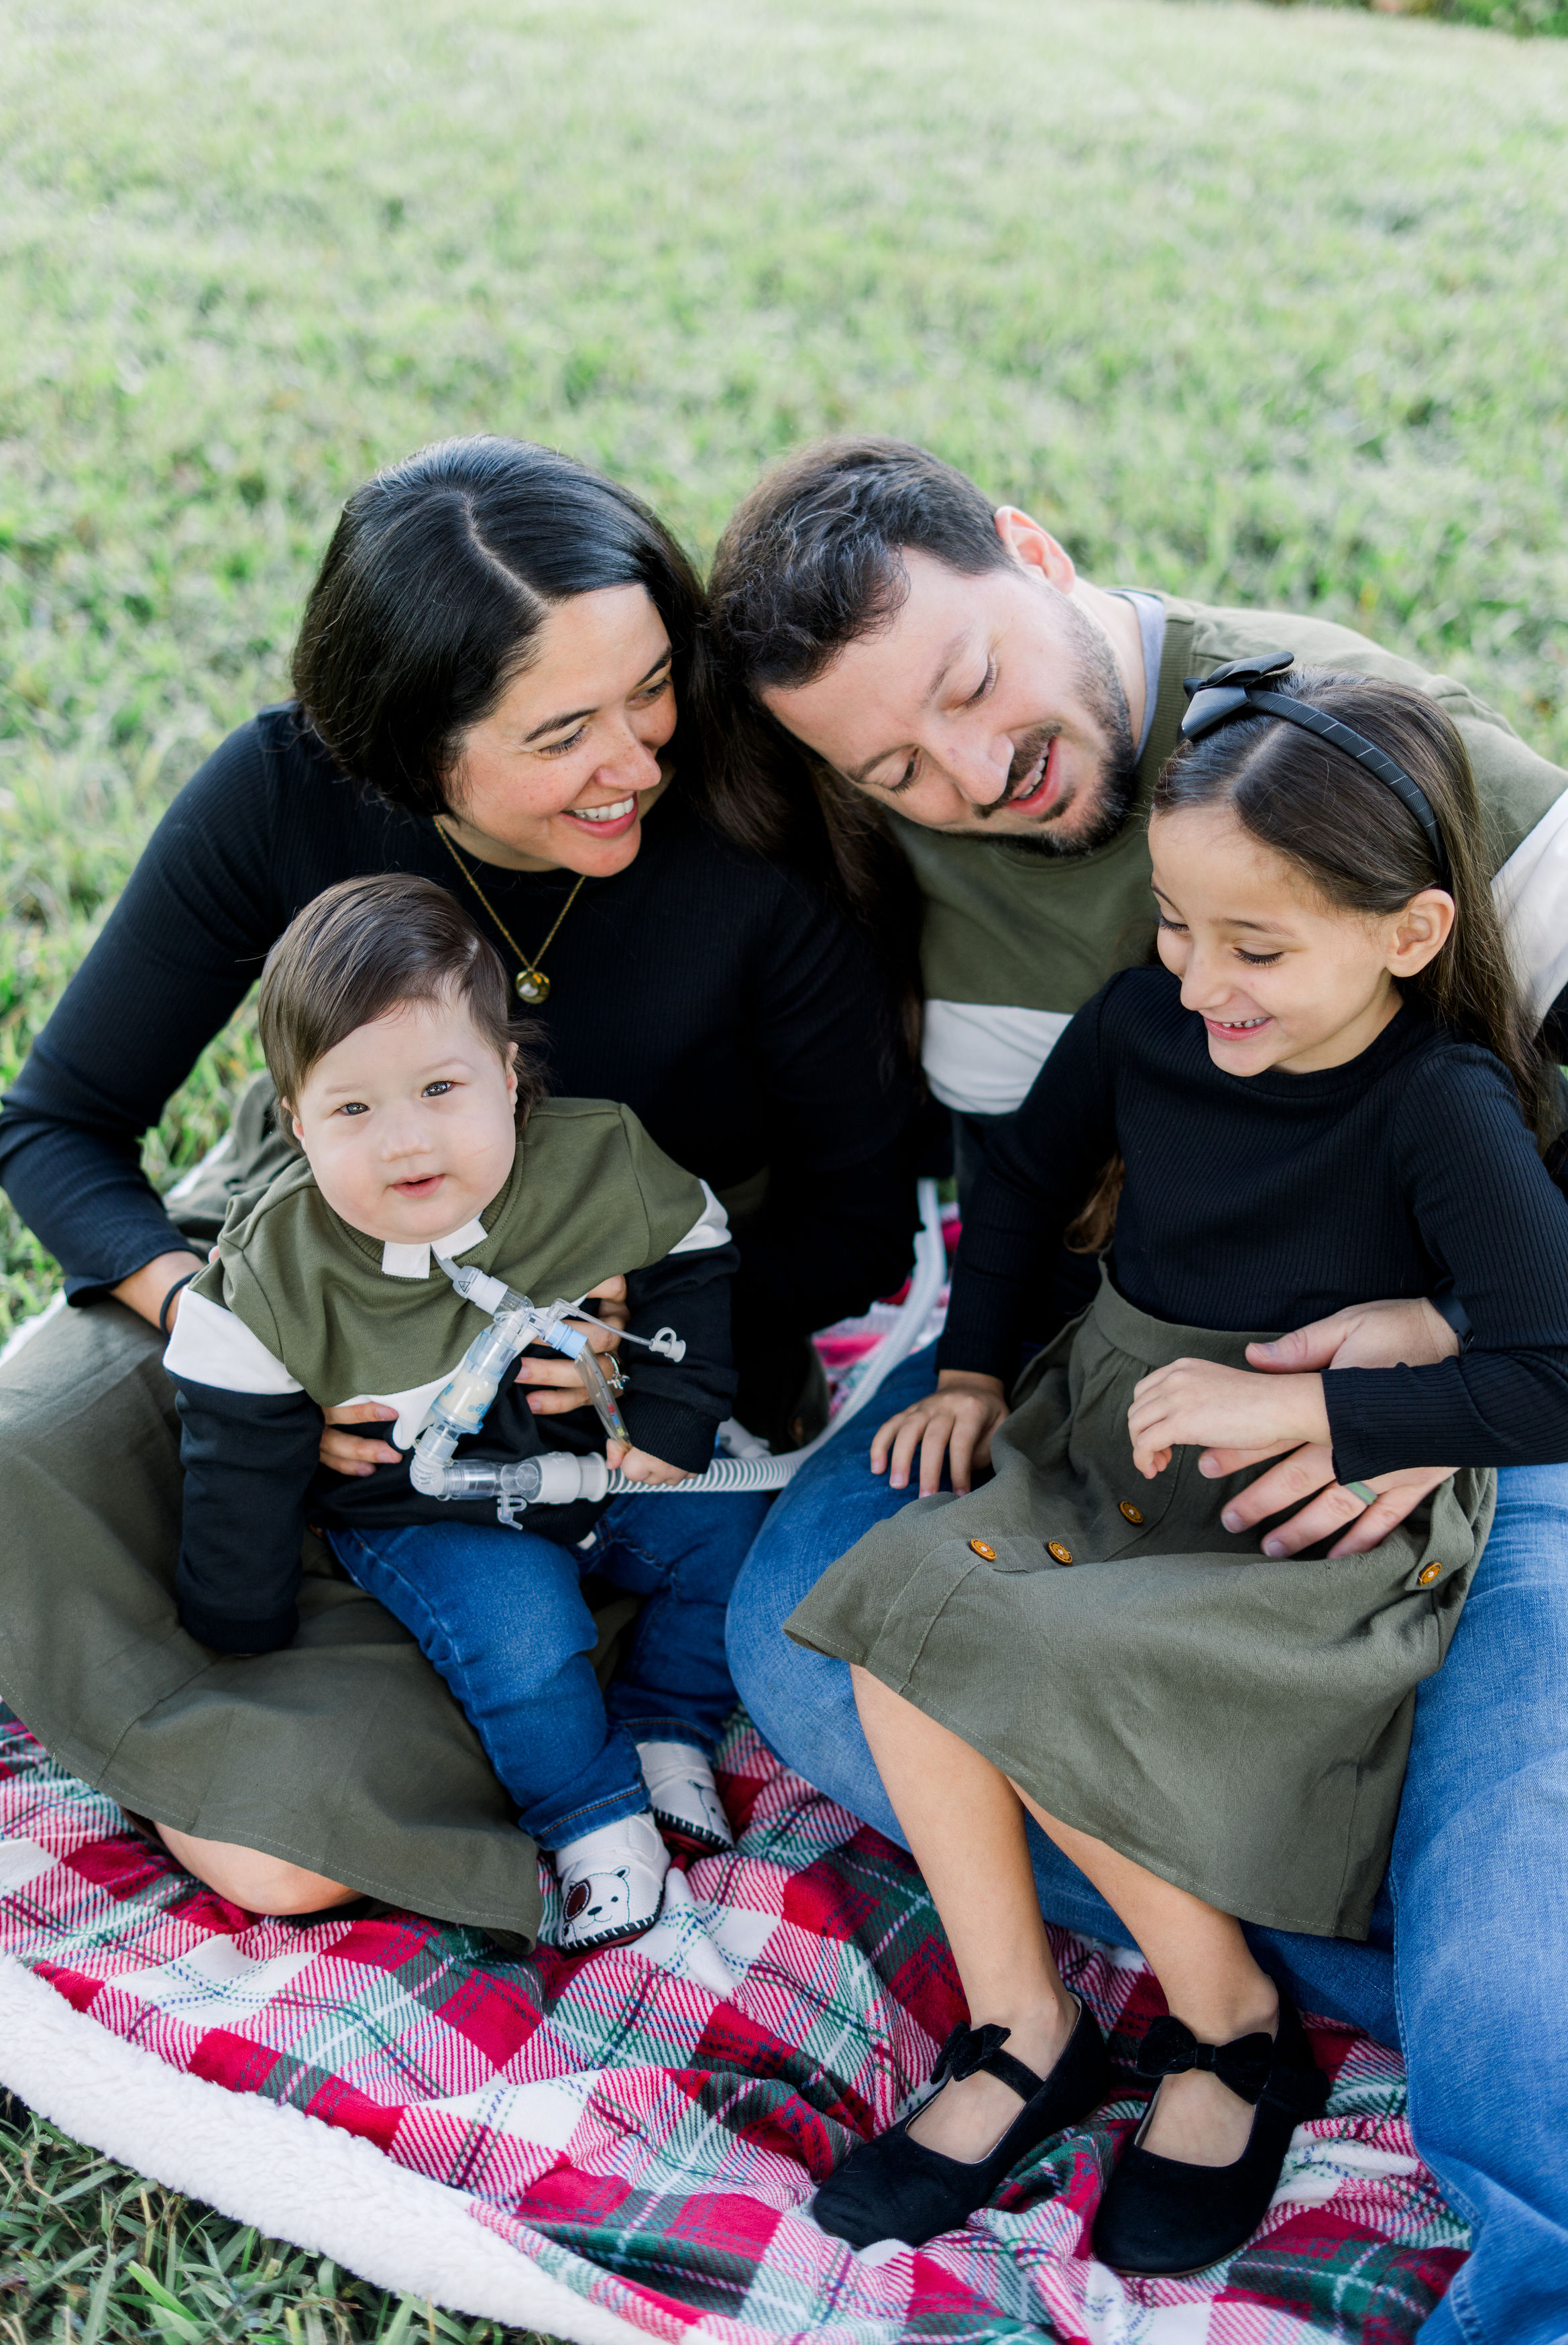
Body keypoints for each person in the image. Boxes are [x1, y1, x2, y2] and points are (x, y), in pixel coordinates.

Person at [708, 441, 1568, 2339]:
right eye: (895, 767)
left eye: (974, 686)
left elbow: (1555, 1356)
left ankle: (1488, 2017)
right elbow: (1014, 1184)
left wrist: (1438, 1339)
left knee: (1519, 1905)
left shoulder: (1343, 752)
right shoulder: (911, 862)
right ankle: (1246, 1974)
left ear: (1034, 553)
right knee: (809, 1644)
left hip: (1498, 1373)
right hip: (1119, 1371)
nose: (972, 777)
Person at [0, 435, 919, 1941]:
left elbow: (860, 1225)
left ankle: (269, 1720)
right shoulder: (280, 791)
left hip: (606, 1361)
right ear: (414, 750)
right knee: (19, 1454)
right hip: (301, 1260)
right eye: (563, 734)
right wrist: (227, 1334)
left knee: (294, 1852)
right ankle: (210, 1662)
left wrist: (646, 1339)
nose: (639, 762)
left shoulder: (754, 851)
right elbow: (57, 1125)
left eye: (651, 689)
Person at [167, 873, 769, 1953]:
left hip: (593, 1457)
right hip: (426, 1507)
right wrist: (238, 1623)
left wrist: (673, 1418)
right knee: (522, 1632)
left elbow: (694, 1252)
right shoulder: (274, 1273)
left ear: (509, 1076)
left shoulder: (597, 1159)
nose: (405, 1142)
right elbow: (233, 1450)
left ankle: (668, 1724)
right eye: (352, 1110)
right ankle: (590, 1815)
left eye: (441, 1089)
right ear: (297, 1124)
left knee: (725, 1528)